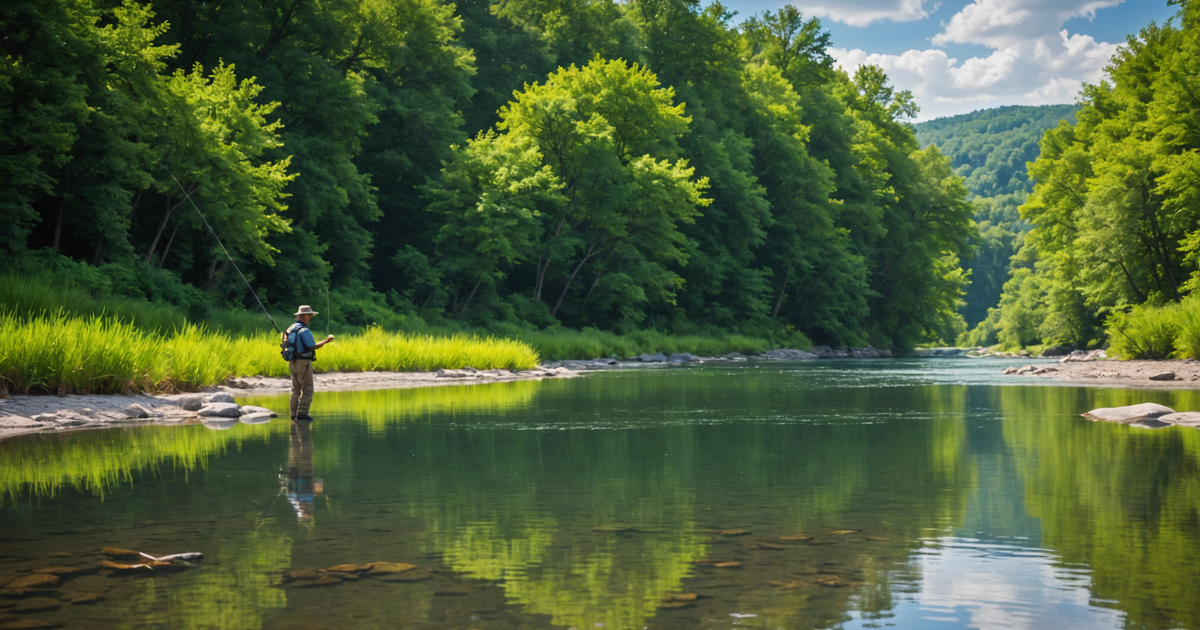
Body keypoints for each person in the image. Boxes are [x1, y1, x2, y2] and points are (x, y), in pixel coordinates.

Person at [284, 305, 334, 420]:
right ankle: (302, 414)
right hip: (303, 363)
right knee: (307, 390)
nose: (311, 317)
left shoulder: (290, 328)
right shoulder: (304, 330)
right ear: (304, 316)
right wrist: (326, 341)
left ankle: (293, 415)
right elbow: (312, 346)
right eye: (310, 315)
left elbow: (285, 341)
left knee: (295, 390)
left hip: (292, 362)